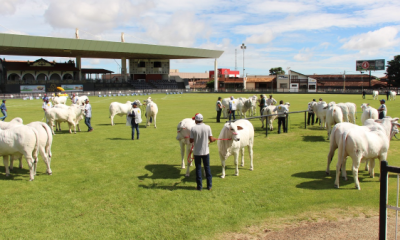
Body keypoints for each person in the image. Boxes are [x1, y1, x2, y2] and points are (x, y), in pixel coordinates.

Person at [189, 113, 217, 191]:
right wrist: (214, 139)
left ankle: (199, 187)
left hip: (197, 152)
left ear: (196, 120)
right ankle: (209, 186)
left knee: (198, 169)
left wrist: (193, 137)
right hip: (206, 152)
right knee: (207, 168)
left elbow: (191, 140)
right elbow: (211, 139)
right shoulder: (208, 127)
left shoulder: (193, 129)